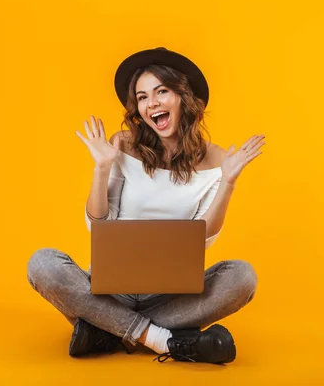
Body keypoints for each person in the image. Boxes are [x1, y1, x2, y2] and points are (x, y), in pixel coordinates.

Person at [27, 47, 265, 364]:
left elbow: (204, 237)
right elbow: (98, 223)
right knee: (43, 264)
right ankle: (162, 340)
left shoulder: (218, 160)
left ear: (184, 97)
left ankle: (106, 330)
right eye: (141, 97)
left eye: (161, 91)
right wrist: (101, 168)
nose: (150, 103)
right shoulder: (122, 144)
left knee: (242, 277)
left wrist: (229, 182)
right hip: (110, 291)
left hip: (171, 296)